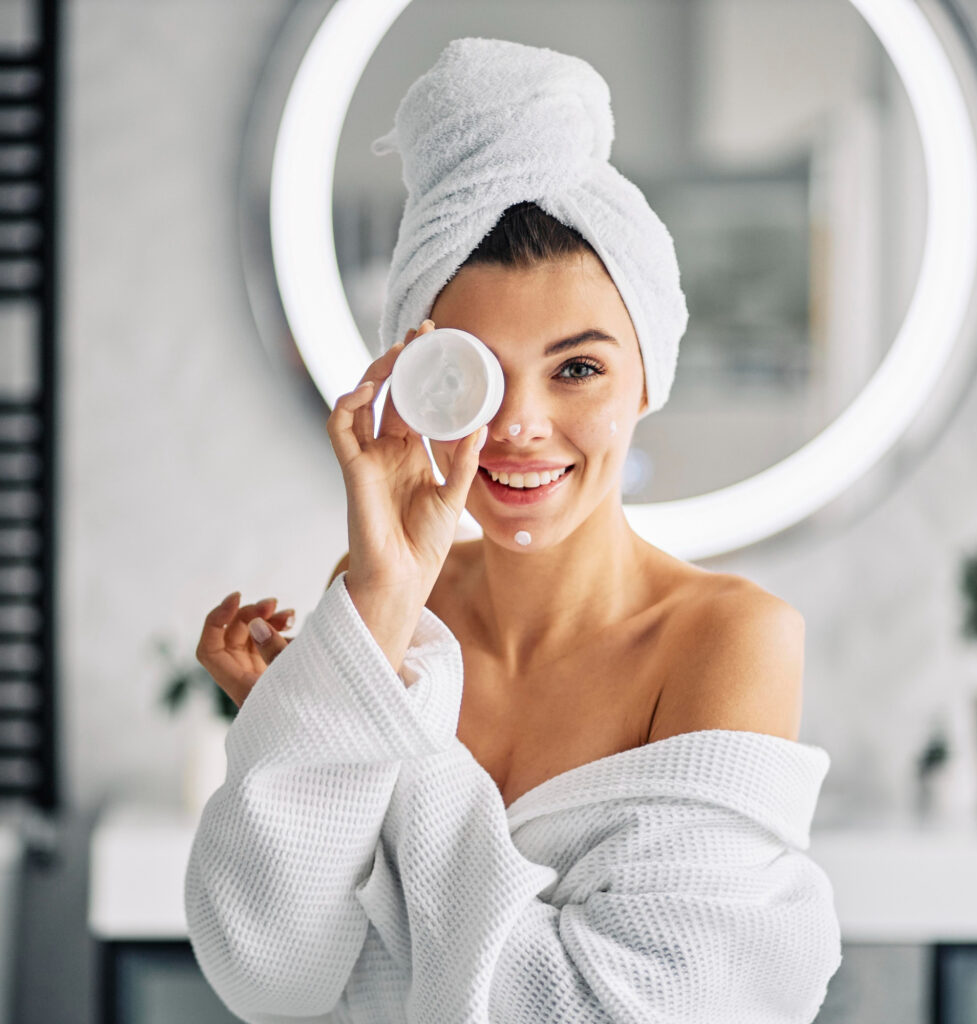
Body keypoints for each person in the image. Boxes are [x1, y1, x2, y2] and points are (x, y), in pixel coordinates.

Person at [187, 37, 841, 1024]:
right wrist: (365, 622)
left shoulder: (727, 638)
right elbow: (272, 978)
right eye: (476, 374)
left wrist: (348, 718)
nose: (521, 422)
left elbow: (615, 1011)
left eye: (577, 368)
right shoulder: (378, 609)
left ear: (646, 380)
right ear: (418, 381)